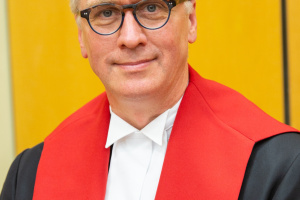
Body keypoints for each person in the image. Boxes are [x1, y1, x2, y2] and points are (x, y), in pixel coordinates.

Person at [1, 0, 300, 199]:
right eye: (106, 13)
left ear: (191, 20)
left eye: (152, 7)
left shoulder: (280, 167)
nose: (130, 38)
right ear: (82, 37)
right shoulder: (29, 176)